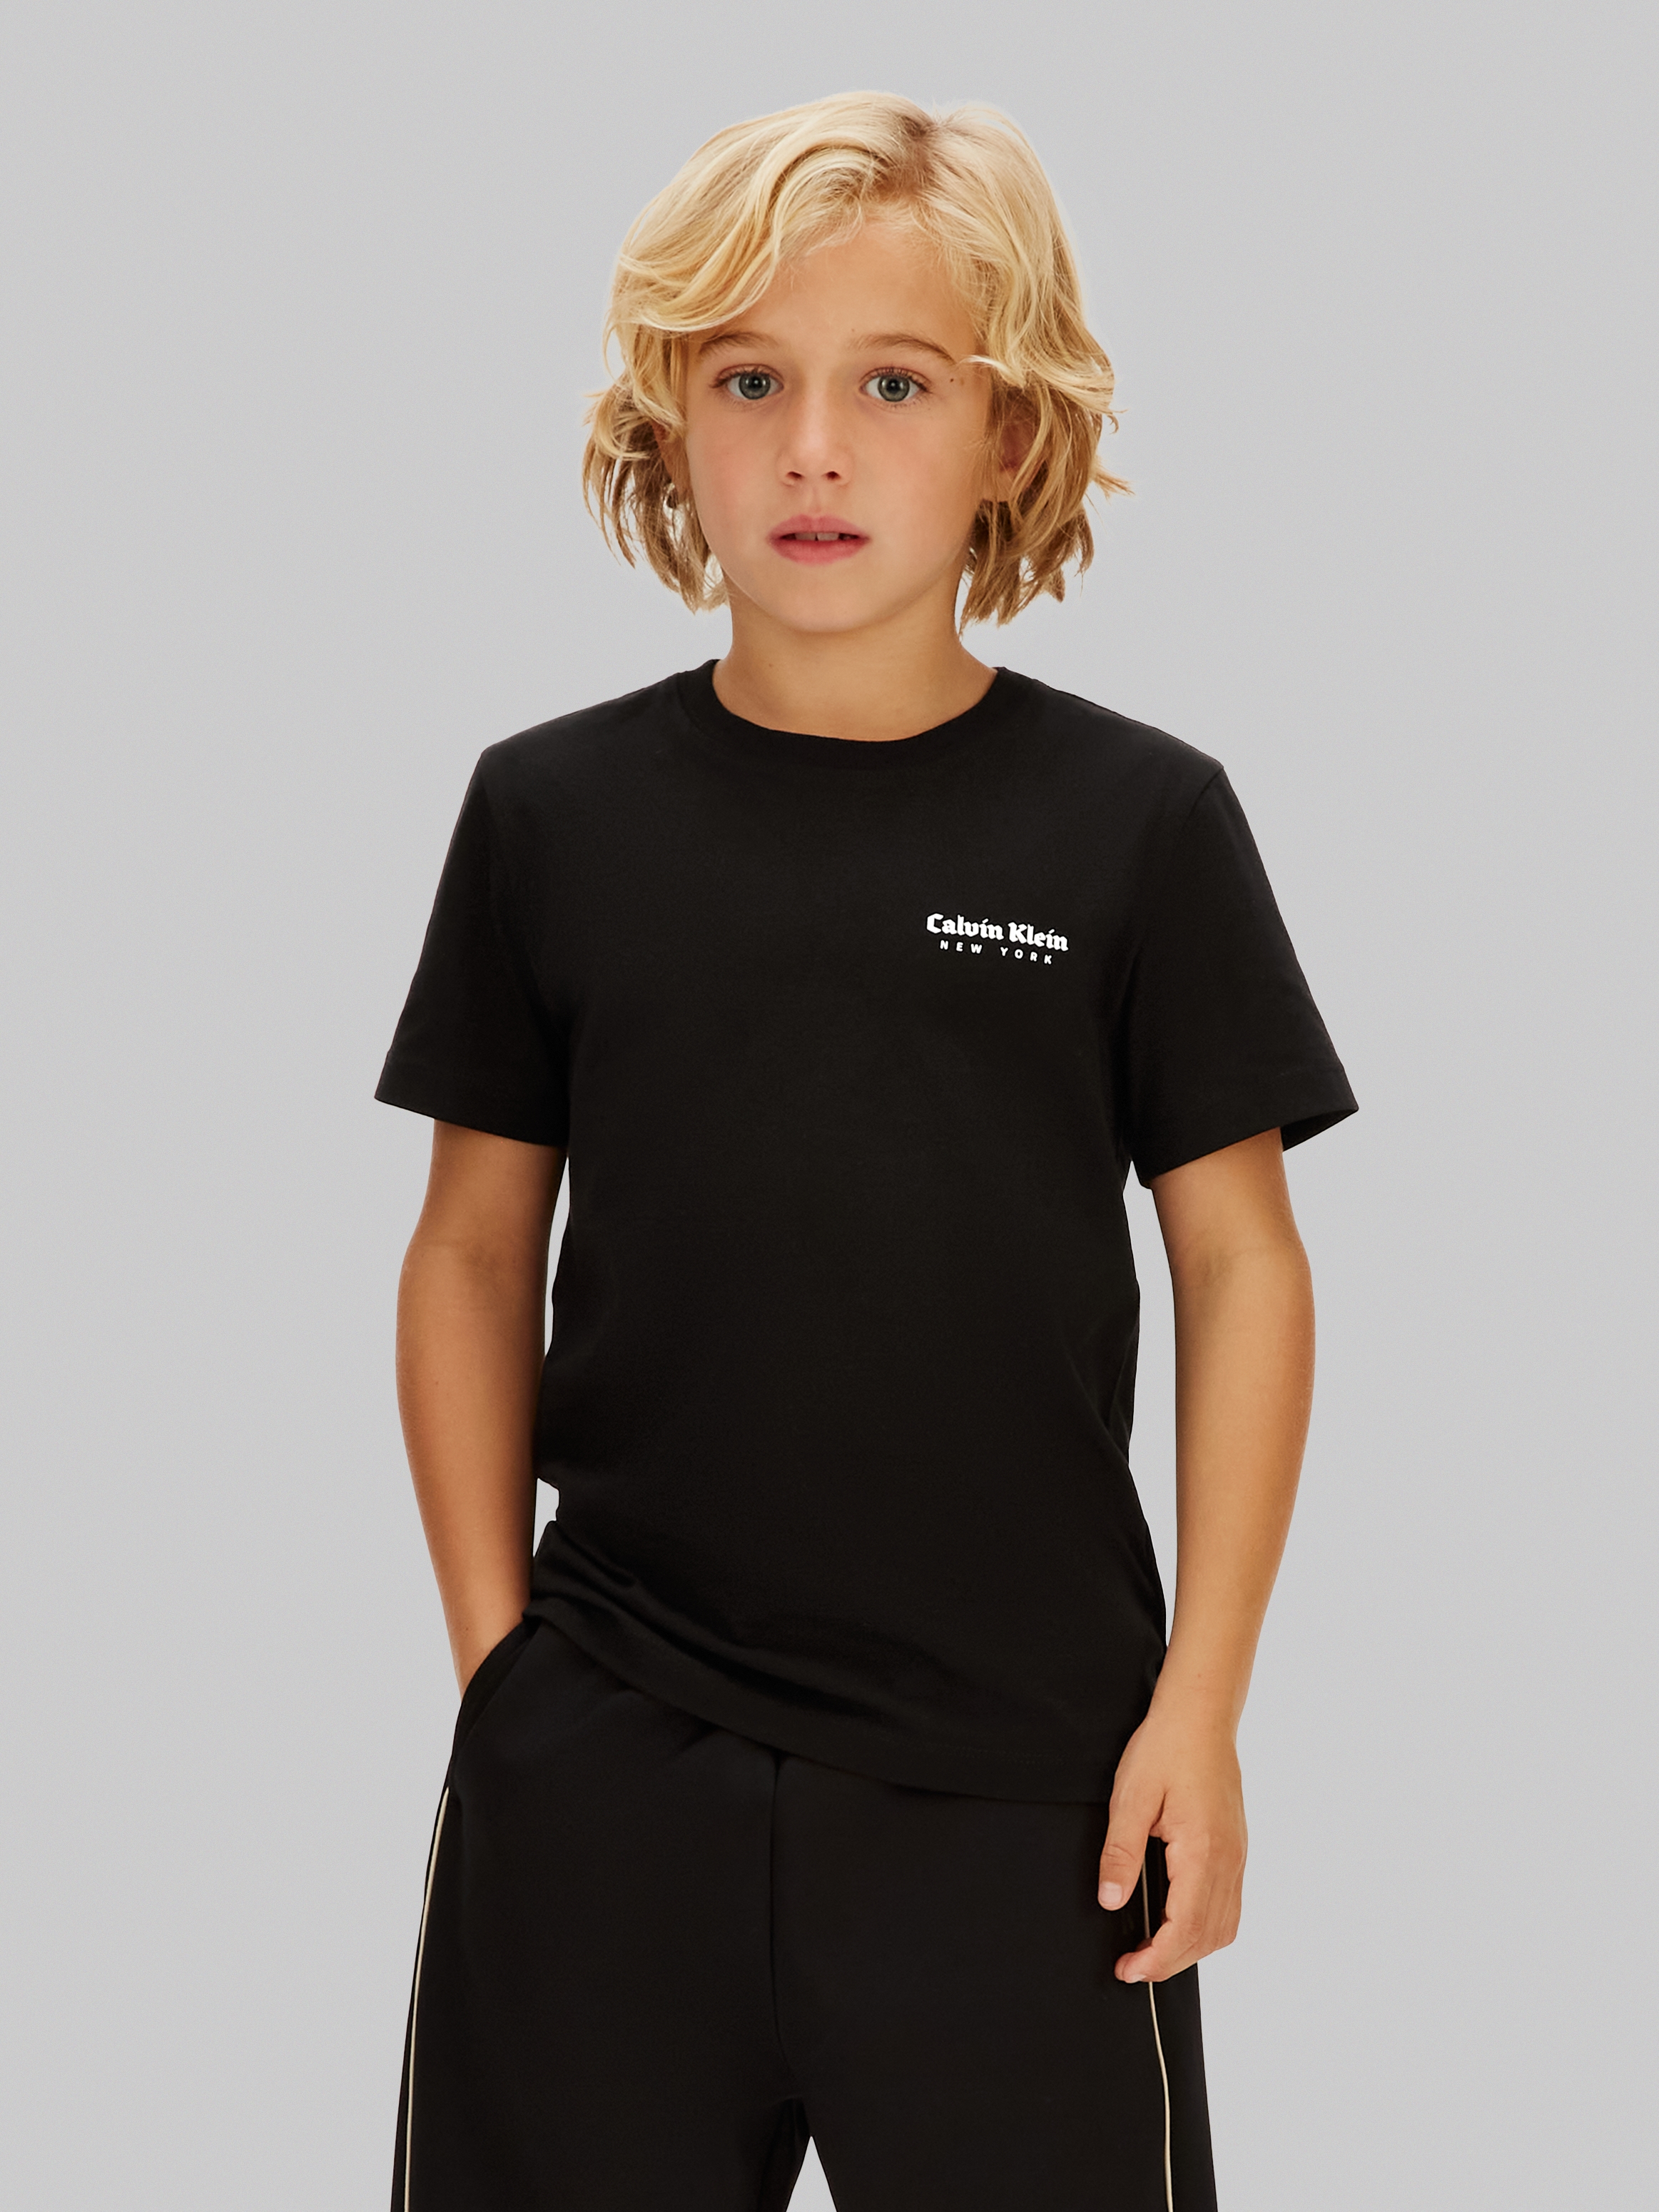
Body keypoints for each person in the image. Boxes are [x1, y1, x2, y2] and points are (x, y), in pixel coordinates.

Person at [375, 91, 1355, 2212]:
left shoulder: (1140, 825)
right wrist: (500, 1677)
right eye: (751, 381)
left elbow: (1243, 1265)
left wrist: (1201, 1705)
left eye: (894, 383)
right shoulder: (550, 816)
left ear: (1009, 431)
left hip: (1036, 1791)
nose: (813, 448)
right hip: (608, 1751)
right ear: (673, 421)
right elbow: (469, 1252)